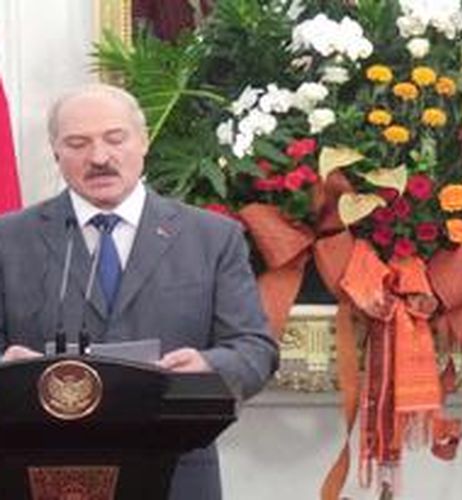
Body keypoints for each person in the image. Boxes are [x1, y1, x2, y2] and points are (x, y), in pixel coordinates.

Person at [0, 83, 279, 500]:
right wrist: (6, 368)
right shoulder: (9, 238)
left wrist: (206, 363)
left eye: (115, 139)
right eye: (78, 143)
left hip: (176, 470)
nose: (99, 158)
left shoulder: (211, 237)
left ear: (144, 141)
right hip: (38, 473)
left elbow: (255, 349)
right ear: (56, 152)